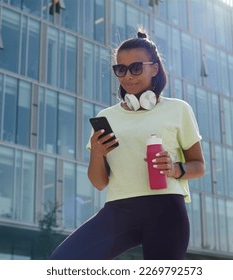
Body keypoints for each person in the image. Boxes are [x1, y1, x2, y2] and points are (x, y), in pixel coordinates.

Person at [50, 29, 205, 260]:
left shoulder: (178, 109)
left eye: (136, 67)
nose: (128, 76)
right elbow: (99, 182)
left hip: (166, 209)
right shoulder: (106, 116)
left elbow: (199, 165)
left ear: (154, 68)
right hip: (119, 209)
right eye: (120, 69)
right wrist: (98, 154)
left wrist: (175, 168)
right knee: (62, 261)